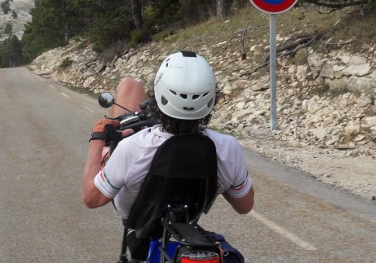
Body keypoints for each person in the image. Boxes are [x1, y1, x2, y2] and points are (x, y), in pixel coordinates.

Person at [82, 50, 254, 217]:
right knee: (129, 84)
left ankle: (106, 155)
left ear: (158, 94)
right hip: (189, 215)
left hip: (137, 217)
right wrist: (222, 175)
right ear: (210, 98)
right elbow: (244, 206)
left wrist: (96, 140)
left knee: (128, 85)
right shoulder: (228, 147)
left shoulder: (131, 148)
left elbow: (92, 198)